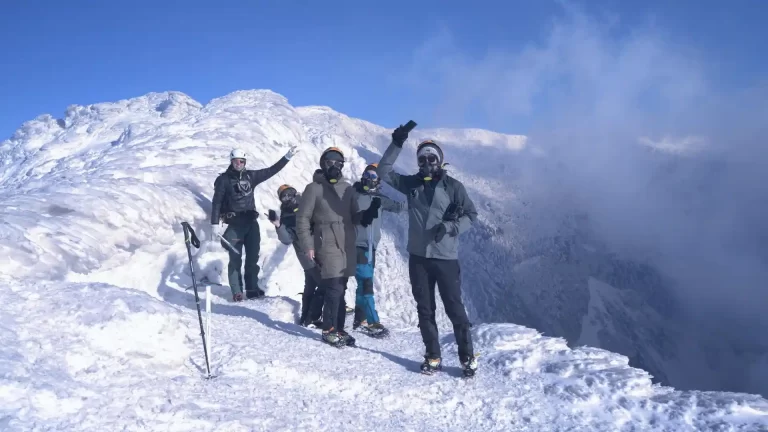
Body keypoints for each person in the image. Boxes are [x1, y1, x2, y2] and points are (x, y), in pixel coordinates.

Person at [376, 127, 479, 377]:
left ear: (440, 160)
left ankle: (466, 357)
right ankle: (433, 356)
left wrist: (451, 227)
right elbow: (383, 172)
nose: (427, 162)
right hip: (419, 258)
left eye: (431, 158)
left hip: (445, 258)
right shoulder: (411, 184)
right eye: (422, 158)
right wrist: (396, 144)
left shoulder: (453, 186)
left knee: (454, 307)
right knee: (425, 309)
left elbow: (471, 215)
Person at [211, 145, 298, 302]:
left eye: (241, 162)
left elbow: (271, 170)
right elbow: (216, 202)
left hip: (251, 223)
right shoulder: (223, 180)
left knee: (252, 258)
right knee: (235, 258)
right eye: (236, 162)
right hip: (235, 224)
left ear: (245, 162)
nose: (239, 164)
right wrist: (214, 223)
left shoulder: (251, 176)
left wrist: (287, 157)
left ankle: (252, 288)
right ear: (231, 162)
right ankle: (237, 291)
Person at [295, 147, 357, 348]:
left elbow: (355, 213)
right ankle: (328, 329)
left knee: (342, 287)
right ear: (323, 163)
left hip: (346, 243)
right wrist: (308, 245)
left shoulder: (347, 188)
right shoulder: (314, 188)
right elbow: (302, 218)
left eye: (338, 163)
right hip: (325, 241)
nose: (334, 166)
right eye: (330, 162)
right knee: (333, 287)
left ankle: (339, 328)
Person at [350, 163, 406, 338]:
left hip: (371, 248)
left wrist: (416, 195)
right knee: (366, 284)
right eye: (368, 175)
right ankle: (373, 321)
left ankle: (360, 320)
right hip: (358, 246)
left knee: (362, 283)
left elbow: (399, 207)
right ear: (363, 175)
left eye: (374, 177)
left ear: (379, 181)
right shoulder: (353, 195)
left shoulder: (379, 199)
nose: (370, 179)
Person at [268, 184, 324, 327]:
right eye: (283, 196)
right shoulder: (286, 216)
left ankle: (306, 317)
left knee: (311, 284)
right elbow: (286, 239)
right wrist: (278, 225)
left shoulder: (308, 203)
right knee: (325, 284)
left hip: (320, 249)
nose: (287, 198)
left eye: (289, 194)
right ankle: (314, 316)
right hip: (305, 253)